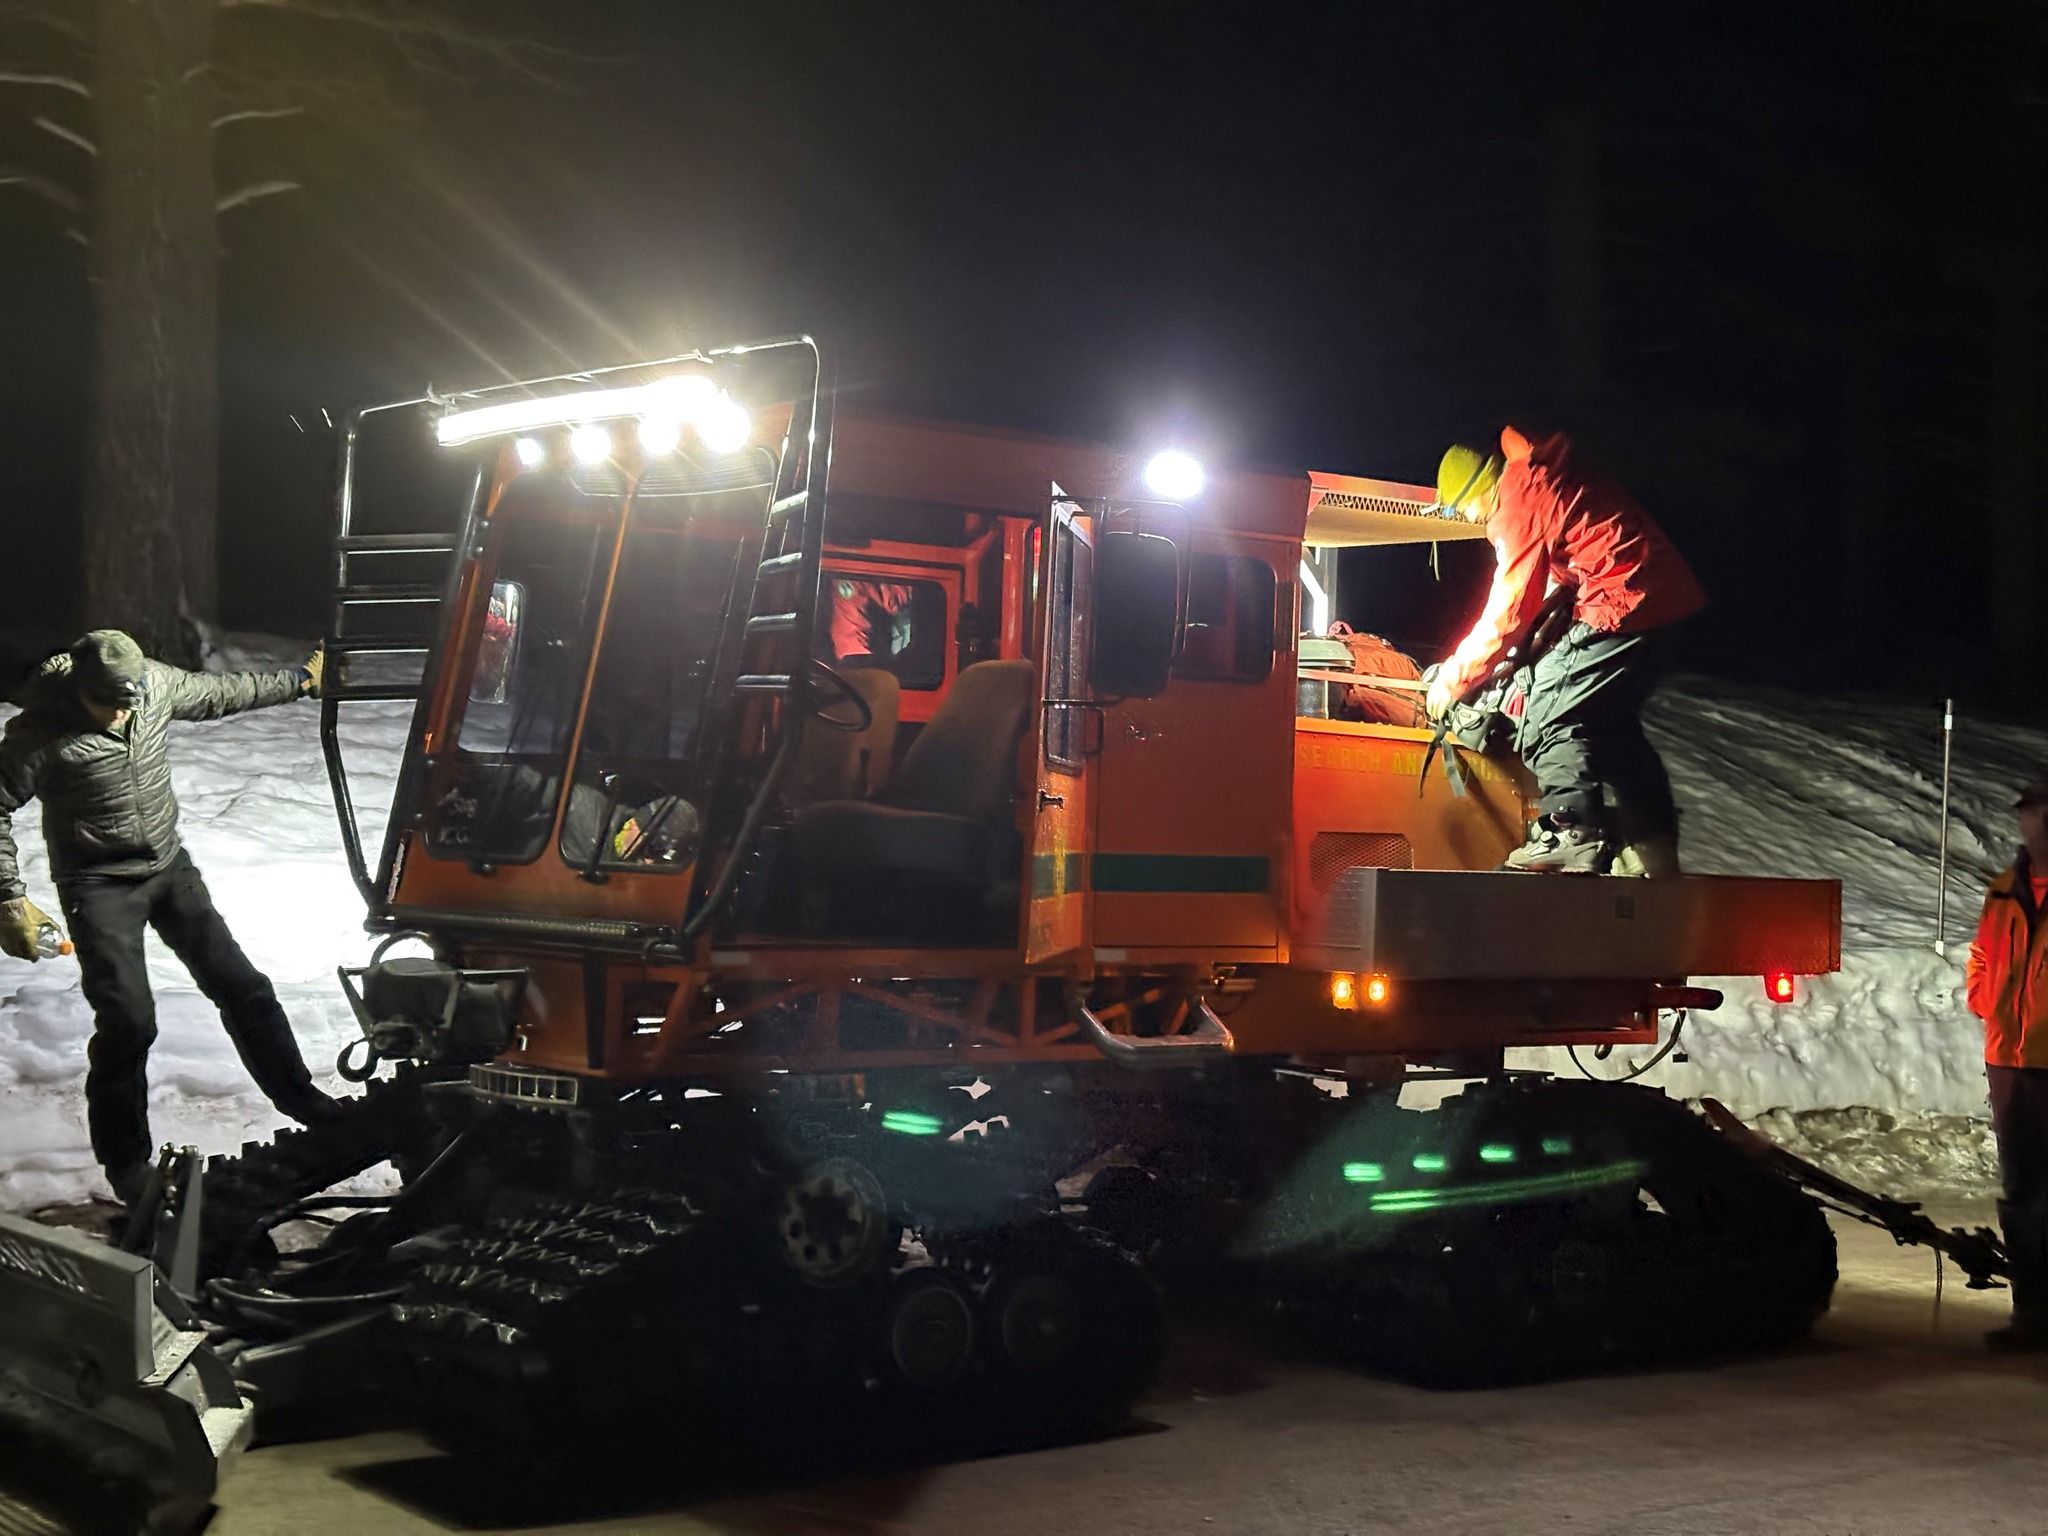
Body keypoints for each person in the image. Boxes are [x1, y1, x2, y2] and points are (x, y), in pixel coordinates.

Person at [0, 631, 336, 1206]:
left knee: (245, 987)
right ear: (81, 690)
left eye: (128, 701)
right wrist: (9, 899)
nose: (121, 713)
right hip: (98, 886)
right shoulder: (39, 734)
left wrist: (301, 682)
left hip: (167, 869)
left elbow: (222, 693)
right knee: (129, 1023)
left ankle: (302, 1099)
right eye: (107, 703)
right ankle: (127, 1164)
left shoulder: (153, 686)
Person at [1423, 427, 1705, 874]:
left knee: (1549, 708)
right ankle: (1651, 846)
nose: (1469, 518)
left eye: (1460, 508)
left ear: (1475, 490)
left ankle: (1572, 833)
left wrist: (1454, 678)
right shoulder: (1539, 480)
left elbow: (1510, 607)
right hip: (1663, 600)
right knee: (1608, 722)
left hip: (1623, 599)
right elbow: (1550, 590)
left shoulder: (1517, 500)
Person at [1966, 779, 2048, 1352]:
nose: (2033, 823)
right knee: (2020, 1190)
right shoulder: (2003, 888)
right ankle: (2031, 1314)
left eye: (2040, 812)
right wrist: (1983, 997)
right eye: (2029, 813)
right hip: (2008, 1057)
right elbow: (1981, 952)